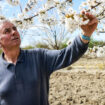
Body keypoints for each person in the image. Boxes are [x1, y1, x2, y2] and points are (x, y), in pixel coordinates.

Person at [0, 11, 98, 105]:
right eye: (7, 31)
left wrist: (86, 34)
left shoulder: (39, 57)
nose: (14, 32)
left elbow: (67, 54)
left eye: (15, 28)